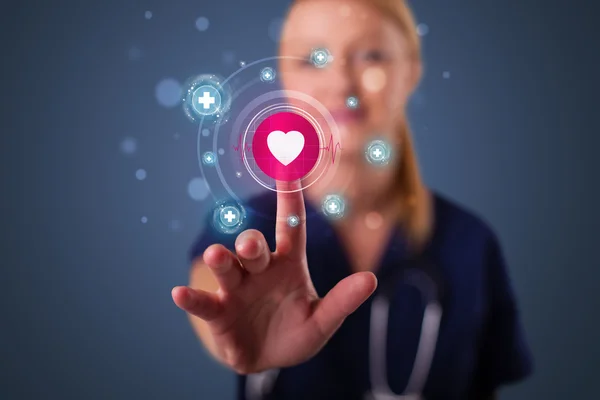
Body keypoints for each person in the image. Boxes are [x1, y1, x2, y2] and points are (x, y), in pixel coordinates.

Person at [171, 0, 534, 398]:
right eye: (312, 59)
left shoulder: (471, 243)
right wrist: (229, 340)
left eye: (371, 56)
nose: (342, 82)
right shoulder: (244, 224)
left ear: (411, 71)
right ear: (286, 78)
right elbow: (212, 287)